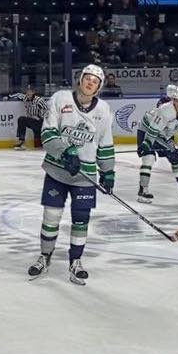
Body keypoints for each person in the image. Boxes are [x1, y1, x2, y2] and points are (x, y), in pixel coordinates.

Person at [27, 64, 114, 285]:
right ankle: (45, 257)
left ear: (98, 87)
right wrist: (65, 152)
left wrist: (108, 172)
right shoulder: (60, 98)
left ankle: (75, 261)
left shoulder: (103, 110)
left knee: (81, 220)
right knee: (51, 216)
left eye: (95, 82)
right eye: (87, 78)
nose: (90, 83)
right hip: (57, 170)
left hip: (85, 175)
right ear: (80, 79)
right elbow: (47, 132)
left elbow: (104, 142)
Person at [136, 85, 178, 202]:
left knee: (175, 158)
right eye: (176, 100)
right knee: (148, 158)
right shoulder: (165, 110)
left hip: (163, 134)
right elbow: (153, 130)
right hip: (146, 129)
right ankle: (143, 190)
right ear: (173, 100)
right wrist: (147, 144)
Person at [5, 85, 47, 150]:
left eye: (30, 91)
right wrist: (8, 97)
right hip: (31, 121)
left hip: (39, 122)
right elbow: (18, 95)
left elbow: (46, 109)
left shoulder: (39, 100)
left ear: (33, 92)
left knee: (38, 145)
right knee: (21, 120)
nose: (28, 93)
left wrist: (40, 117)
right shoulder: (25, 98)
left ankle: (41, 144)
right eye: (27, 91)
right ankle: (21, 140)